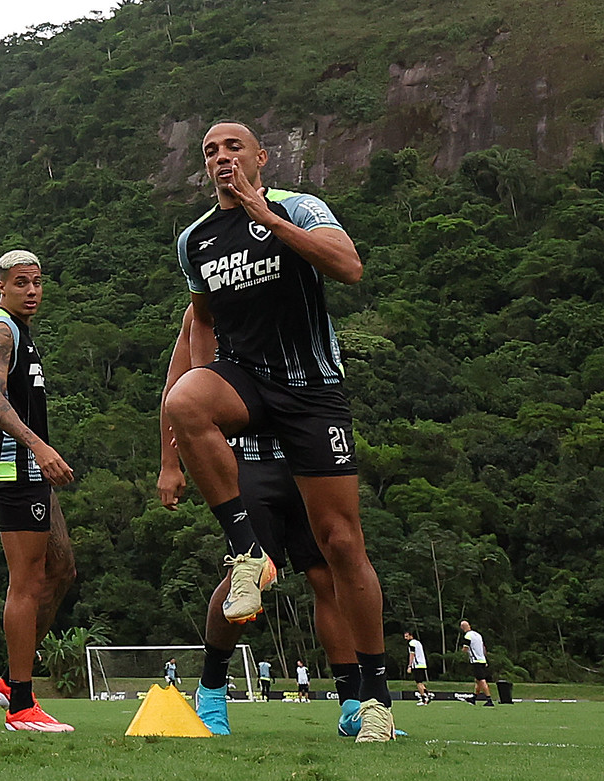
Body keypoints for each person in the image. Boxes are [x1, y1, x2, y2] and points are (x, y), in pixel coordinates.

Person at [161, 122, 397, 743]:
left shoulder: (300, 207)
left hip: (310, 391)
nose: (221, 157)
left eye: (233, 147)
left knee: (341, 548)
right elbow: (201, 323)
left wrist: (268, 216)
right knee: (186, 398)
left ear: (261, 157)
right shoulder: (196, 241)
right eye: (210, 150)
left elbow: (349, 267)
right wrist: (173, 450)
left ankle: (371, 700)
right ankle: (246, 554)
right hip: (245, 387)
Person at [159, 312, 368, 739]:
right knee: (247, 573)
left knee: (327, 575)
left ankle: (352, 703)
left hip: (306, 458)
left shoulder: (299, 293)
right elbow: (178, 389)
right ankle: (212, 689)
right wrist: (169, 463)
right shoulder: (210, 306)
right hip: (248, 459)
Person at [0, 249, 78, 733]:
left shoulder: (21, 331)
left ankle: (7, 680)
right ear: (2, 286)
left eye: (37, 282)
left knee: (61, 568)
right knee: (28, 579)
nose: (32, 291)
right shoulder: (0, 330)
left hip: (28, 466)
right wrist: (39, 446)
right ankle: (20, 702)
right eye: (21, 283)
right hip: (14, 463)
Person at [461, 620, 495, 705]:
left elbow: (465, 648)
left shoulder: (467, 636)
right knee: (478, 680)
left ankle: (489, 699)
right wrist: (485, 658)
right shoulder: (478, 635)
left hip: (476, 660)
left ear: (462, 628)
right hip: (482, 659)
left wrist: (463, 651)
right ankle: (474, 698)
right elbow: (484, 648)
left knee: (481, 680)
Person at [404, 631, 432, 704]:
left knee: (418, 682)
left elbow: (412, 655)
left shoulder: (411, 643)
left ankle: (424, 699)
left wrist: (409, 666)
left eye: (407, 636)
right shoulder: (418, 642)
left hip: (417, 665)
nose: (405, 638)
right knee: (420, 682)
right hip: (422, 664)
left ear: (411, 636)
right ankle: (427, 694)